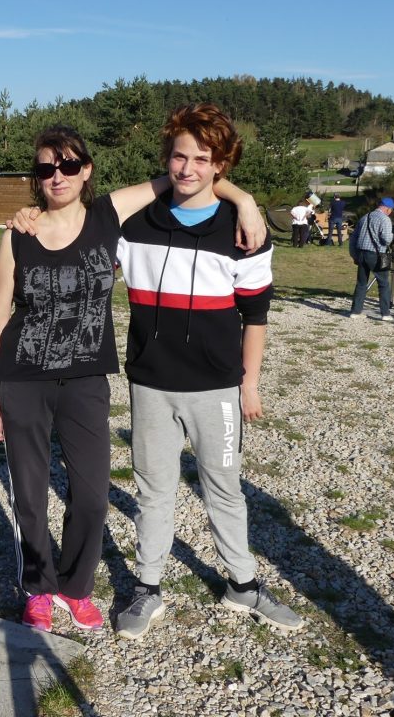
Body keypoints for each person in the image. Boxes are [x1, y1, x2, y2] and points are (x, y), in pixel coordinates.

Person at [0, 125, 266, 634]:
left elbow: (185, 178)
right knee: (29, 492)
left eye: (69, 166)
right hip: (23, 376)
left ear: (86, 170)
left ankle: (75, 587)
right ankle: (39, 589)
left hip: (87, 378)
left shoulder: (108, 216)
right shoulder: (18, 233)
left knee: (92, 494)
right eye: (47, 168)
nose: (58, 176)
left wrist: (244, 199)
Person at [111, 103, 303, 640]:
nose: (188, 168)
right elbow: (83, 217)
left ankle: (241, 584)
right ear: (165, 160)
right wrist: (241, 193)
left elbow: (256, 314)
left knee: (223, 486)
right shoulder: (134, 225)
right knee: (154, 490)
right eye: (179, 156)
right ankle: (147, 588)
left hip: (217, 388)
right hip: (150, 383)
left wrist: (250, 383)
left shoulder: (244, 232)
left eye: (202, 158)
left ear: (221, 164)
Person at [349, 196, 394, 321]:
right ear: (388, 209)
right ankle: (385, 313)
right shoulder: (385, 219)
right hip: (380, 254)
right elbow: (386, 239)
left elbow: (353, 238)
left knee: (361, 283)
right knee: (384, 284)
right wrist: (393, 236)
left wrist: (354, 255)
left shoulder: (365, 217)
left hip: (362, 253)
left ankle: (355, 311)